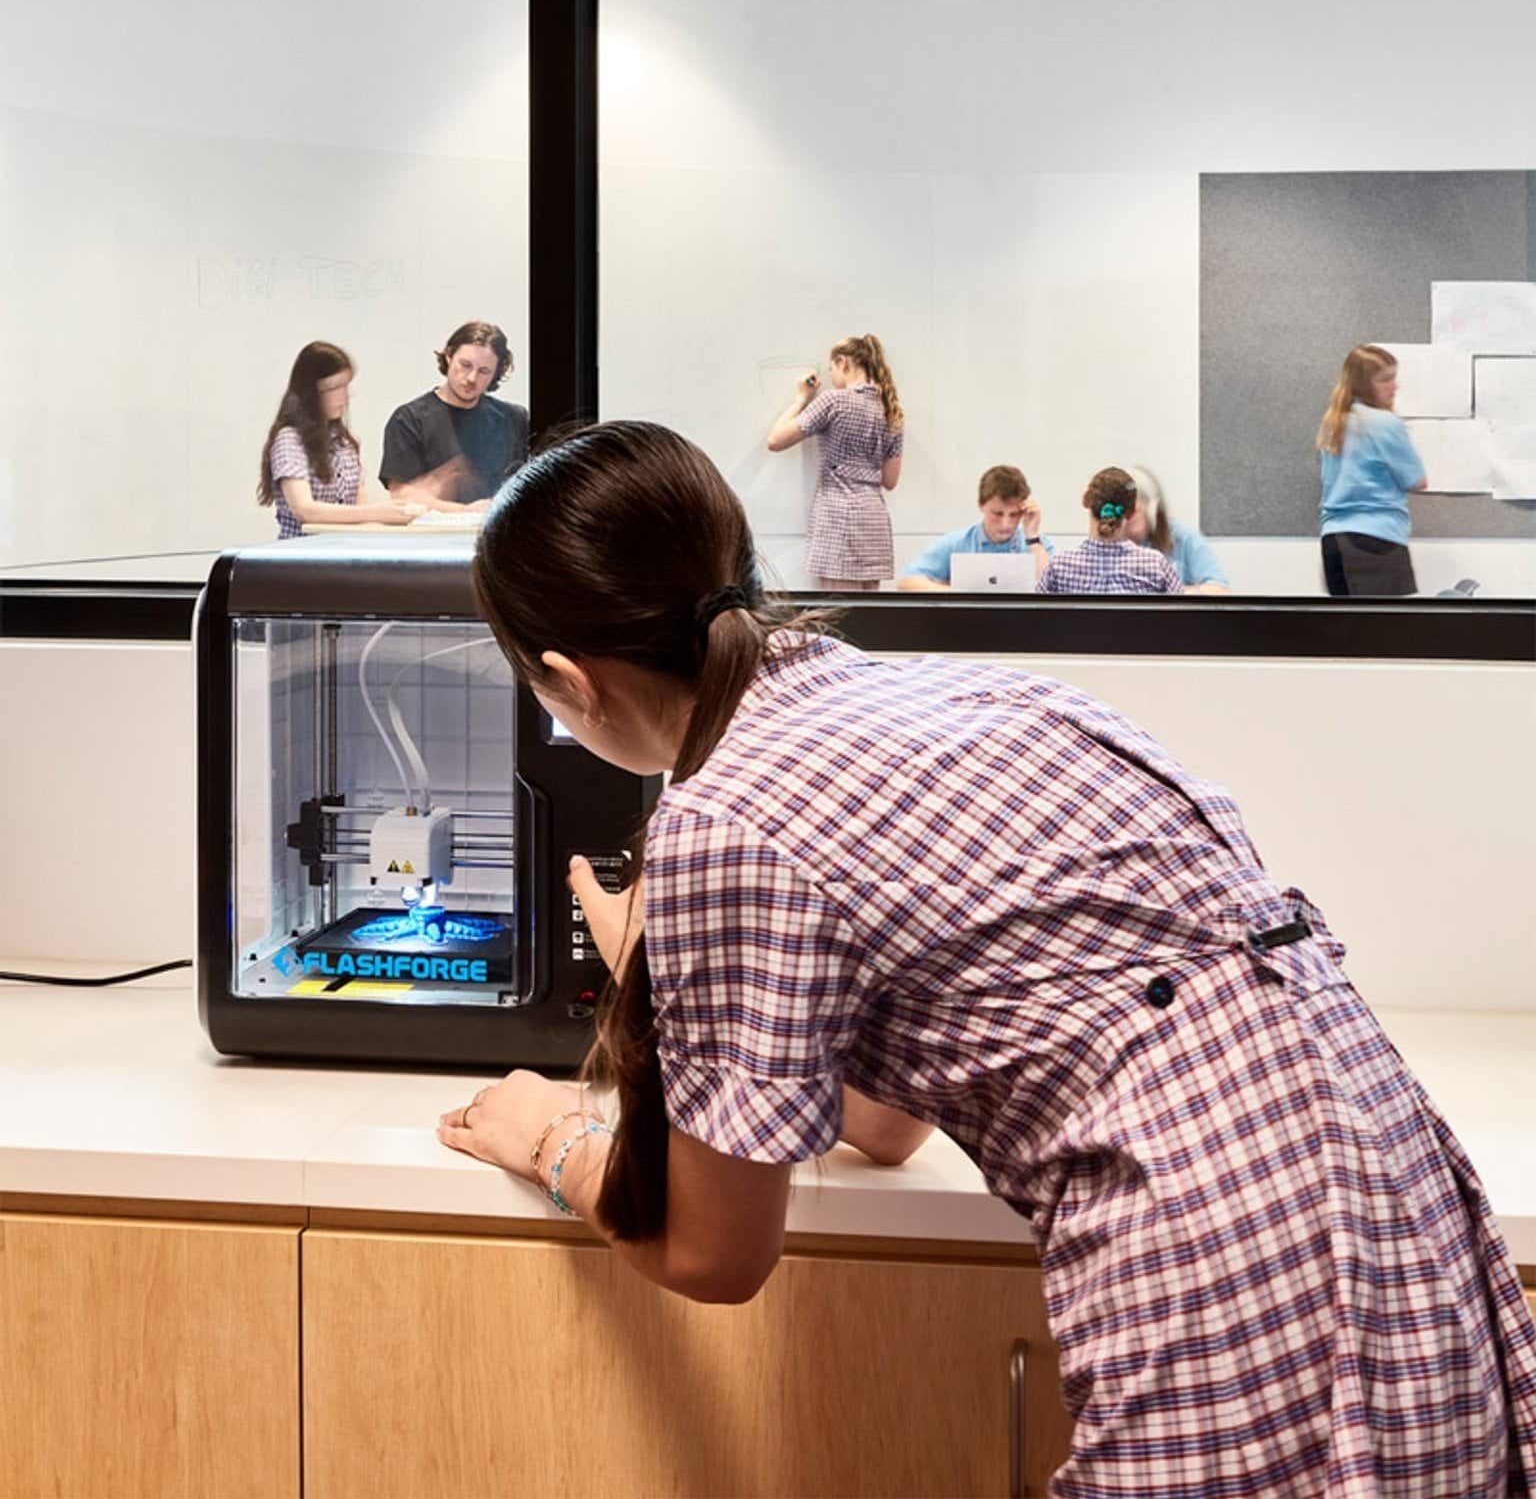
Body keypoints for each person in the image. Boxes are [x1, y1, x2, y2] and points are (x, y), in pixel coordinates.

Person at [438, 422, 1536, 1496]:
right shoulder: (966, 692)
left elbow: (715, 1255)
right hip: (1401, 1213)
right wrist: (675, 971)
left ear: (568, 681)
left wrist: (554, 1135)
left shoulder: (725, 818)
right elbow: (886, 1120)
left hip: (1230, 1263)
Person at [765, 333, 903, 591]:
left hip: (838, 518)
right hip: (874, 522)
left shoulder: (834, 401)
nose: (832, 378)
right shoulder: (891, 411)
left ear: (843, 362)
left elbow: (775, 440)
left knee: (842, 622)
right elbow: (890, 480)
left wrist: (801, 399)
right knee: (870, 619)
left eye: (832, 370)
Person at [257, 341, 417, 538]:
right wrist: (378, 511)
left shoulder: (344, 443)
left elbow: (361, 509)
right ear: (310, 393)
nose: (345, 397)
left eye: (345, 386)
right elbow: (305, 510)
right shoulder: (290, 440)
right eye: (334, 388)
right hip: (301, 558)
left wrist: (397, 514)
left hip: (343, 554)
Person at [380, 320, 530, 509]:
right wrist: (465, 512)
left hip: (502, 531)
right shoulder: (410, 419)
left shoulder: (514, 418)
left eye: (484, 371)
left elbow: (528, 484)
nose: (471, 378)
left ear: (495, 373)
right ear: (449, 355)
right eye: (465, 365)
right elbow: (402, 495)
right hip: (434, 534)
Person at [1317, 344, 1427, 597]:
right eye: (1385, 380)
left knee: (1350, 631)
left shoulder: (1333, 423)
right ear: (1364, 385)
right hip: (1377, 539)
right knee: (1386, 632)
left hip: (1334, 540)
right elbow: (1417, 481)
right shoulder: (1384, 423)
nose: (1394, 387)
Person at [898, 462, 1053, 589]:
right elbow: (907, 583)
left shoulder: (1038, 544)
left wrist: (1032, 537)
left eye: (1014, 514)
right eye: (997, 514)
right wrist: (958, 593)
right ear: (981, 504)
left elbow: (1053, 587)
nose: (1006, 523)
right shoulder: (955, 543)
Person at [1035, 468, 1182, 596]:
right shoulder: (1155, 565)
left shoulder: (1059, 568)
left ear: (1085, 500)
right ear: (1130, 513)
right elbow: (1183, 616)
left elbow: (1035, 618)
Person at [1123, 464, 1230, 595]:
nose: (1126, 519)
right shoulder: (1111, 543)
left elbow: (1220, 591)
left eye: (1133, 511)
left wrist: (1170, 594)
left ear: (1151, 510)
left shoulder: (1184, 538)